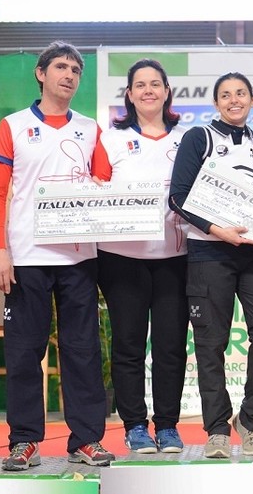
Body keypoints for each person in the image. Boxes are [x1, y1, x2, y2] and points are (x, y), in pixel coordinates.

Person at [0, 41, 115, 471]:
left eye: (76, 70)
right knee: (24, 353)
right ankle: (24, 441)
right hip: (25, 257)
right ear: (41, 73)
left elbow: (105, 183)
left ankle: (86, 440)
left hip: (79, 258)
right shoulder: (14, 125)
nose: (69, 75)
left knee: (82, 351)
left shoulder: (91, 128)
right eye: (61, 67)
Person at [168, 72, 253, 459]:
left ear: (252, 100)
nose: (234, 100)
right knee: (210, 343)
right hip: (208, 252)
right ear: (216, 103)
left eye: (241, 94)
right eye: (226, 95)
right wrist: (219, 230)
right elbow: (179, 197)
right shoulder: (199, 138)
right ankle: (217, 427)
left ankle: (250, 421)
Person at [91, 59, 189, 454]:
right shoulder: (109, 140)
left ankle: (167, 426)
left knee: (170, 347)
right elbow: (93, 191)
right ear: (129, 95)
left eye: (155, 84)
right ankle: (134, 425)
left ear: (167, 91)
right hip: (121, 259)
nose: (148, 90)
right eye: (139, 85)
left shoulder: (189, 137)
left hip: (175, 257)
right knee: (128, 345)